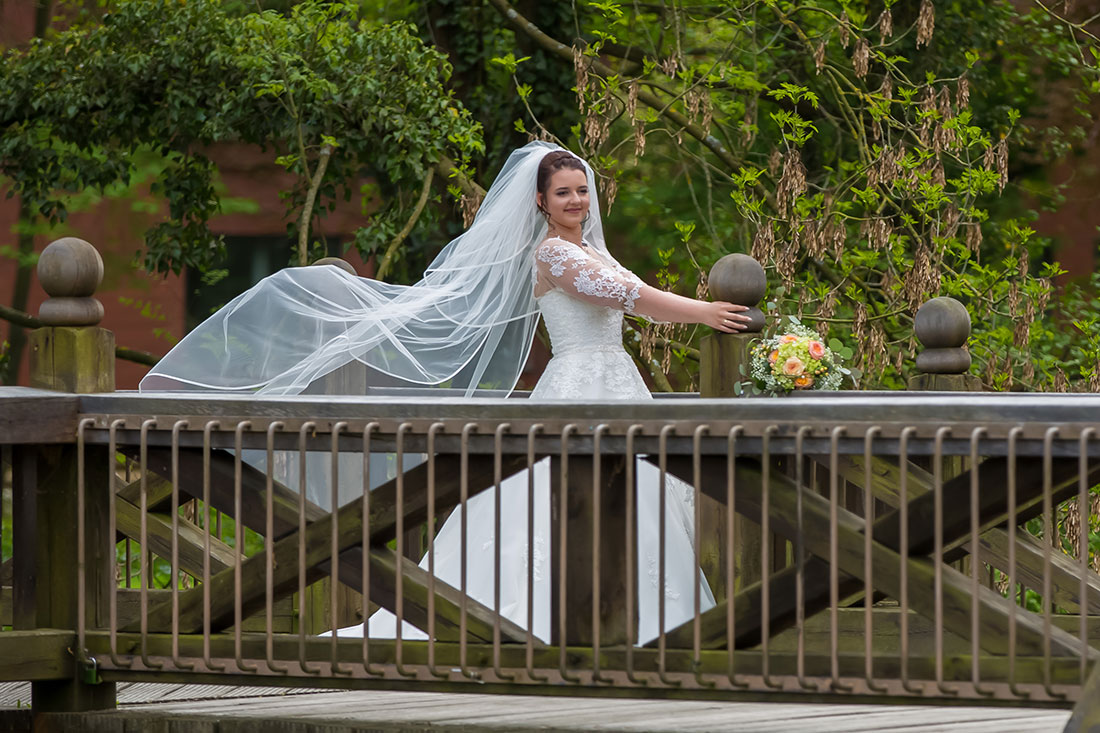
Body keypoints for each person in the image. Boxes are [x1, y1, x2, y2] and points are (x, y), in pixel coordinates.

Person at [141, 140, 751, 643]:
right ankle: (530, 624)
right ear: (540, 202)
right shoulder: (557, 257)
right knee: (559, 504)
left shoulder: (593, 248)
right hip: (577, 390)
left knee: (637, 500)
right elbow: (629, 298)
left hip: (618, 384)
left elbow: (630, 290)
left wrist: (697, 312)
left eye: (582, 189)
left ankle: (644, 626)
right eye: (563, 192)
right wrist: (706, 312)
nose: (576, 200)